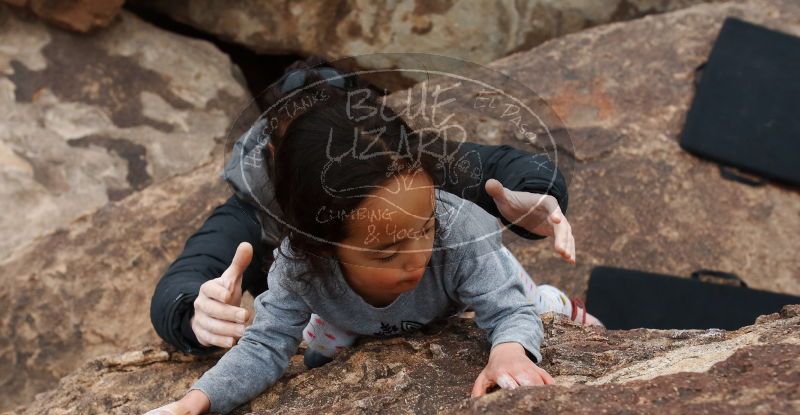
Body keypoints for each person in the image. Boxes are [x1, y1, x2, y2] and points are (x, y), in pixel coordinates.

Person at [135, 76, 603, 415]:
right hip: (349, 314)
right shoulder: (296, 259)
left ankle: (556, 302)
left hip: (470, 290)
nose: (417, 257)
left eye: (424, 230)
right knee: (319, 346)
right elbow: (265, 344)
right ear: (321, 246)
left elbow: (505, 307)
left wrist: (509, 349)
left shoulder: (411, 181)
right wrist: (192, 396)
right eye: (385, 250)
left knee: (532, 307)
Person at [148, 57, 594, 365]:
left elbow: (507, 168)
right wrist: (193, 313)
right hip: (337, 319)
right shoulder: (253, 208)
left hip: (445, 304)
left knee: (518, 298)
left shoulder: (393, 165)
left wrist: (534, 197)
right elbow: (190, 273)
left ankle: (548, 303)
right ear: (275, 153)